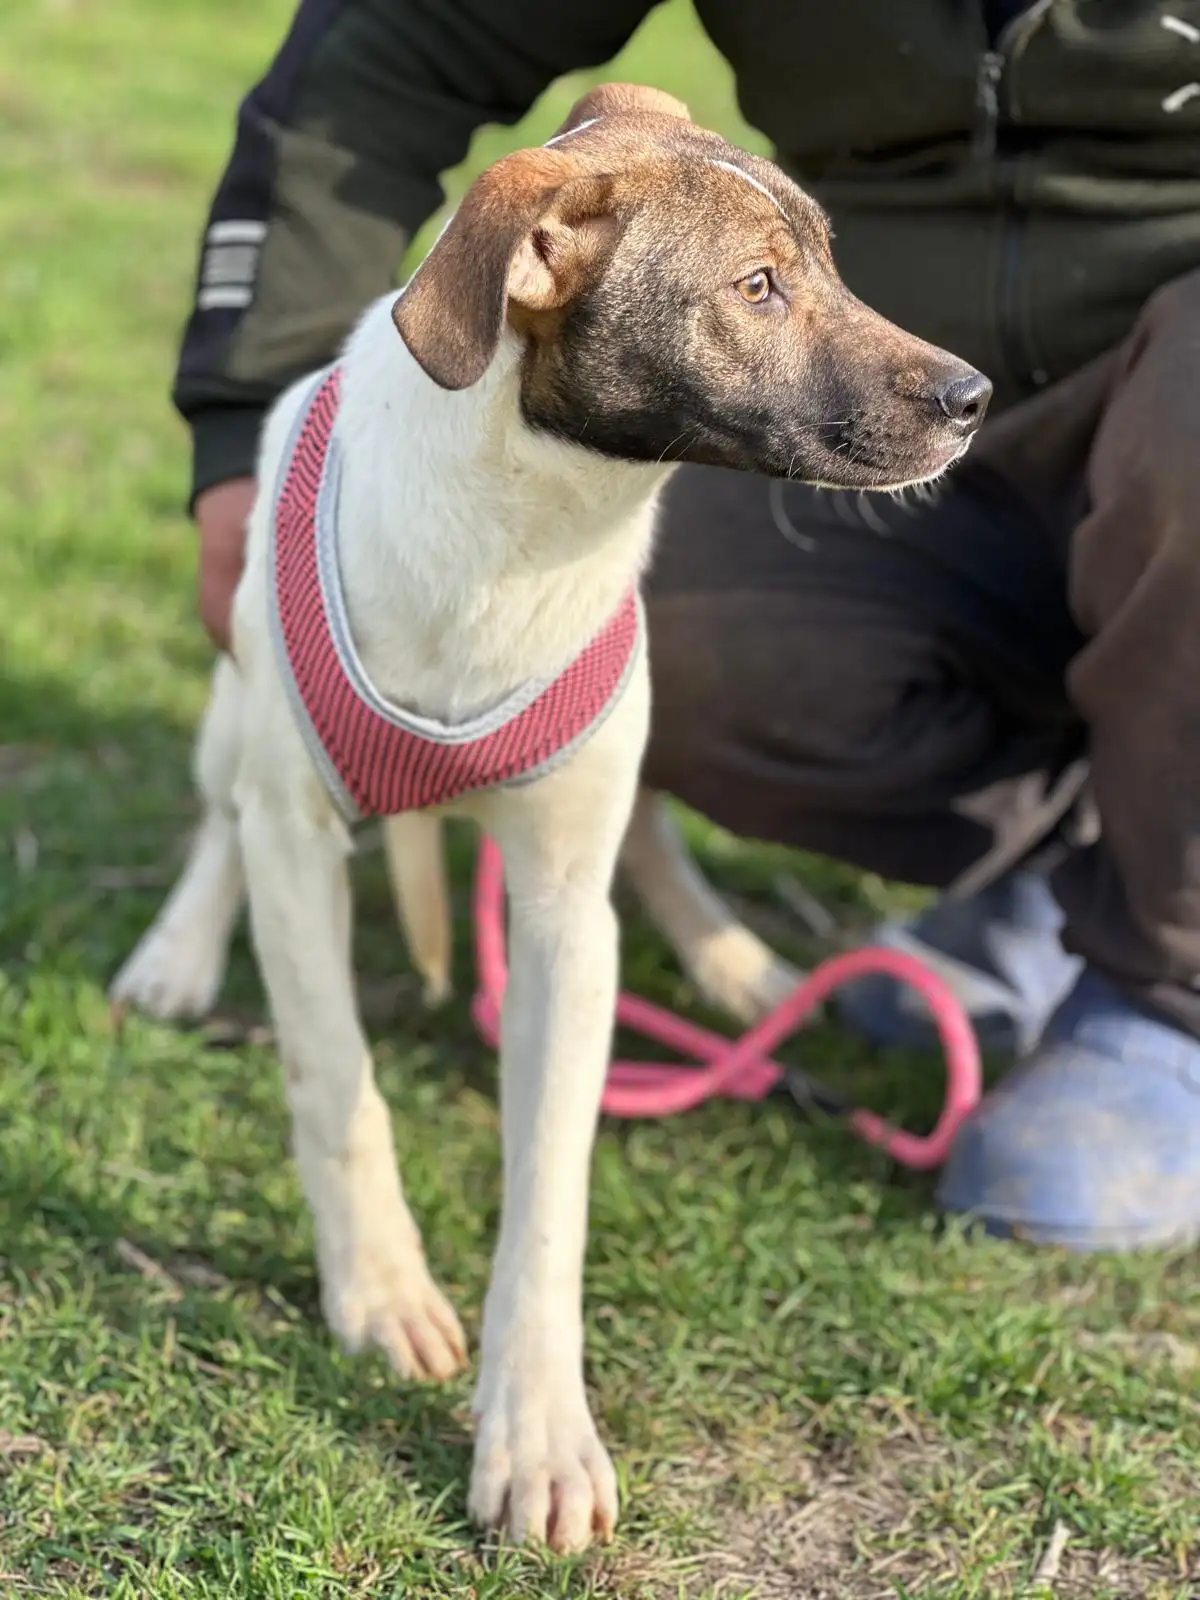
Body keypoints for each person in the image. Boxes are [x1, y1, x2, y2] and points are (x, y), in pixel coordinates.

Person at [174, 0, 1200, 1253]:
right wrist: (248, 415)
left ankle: (1174, 989)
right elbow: (402, 39)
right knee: (647, 643)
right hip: (887, 397)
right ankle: (1066, 864)